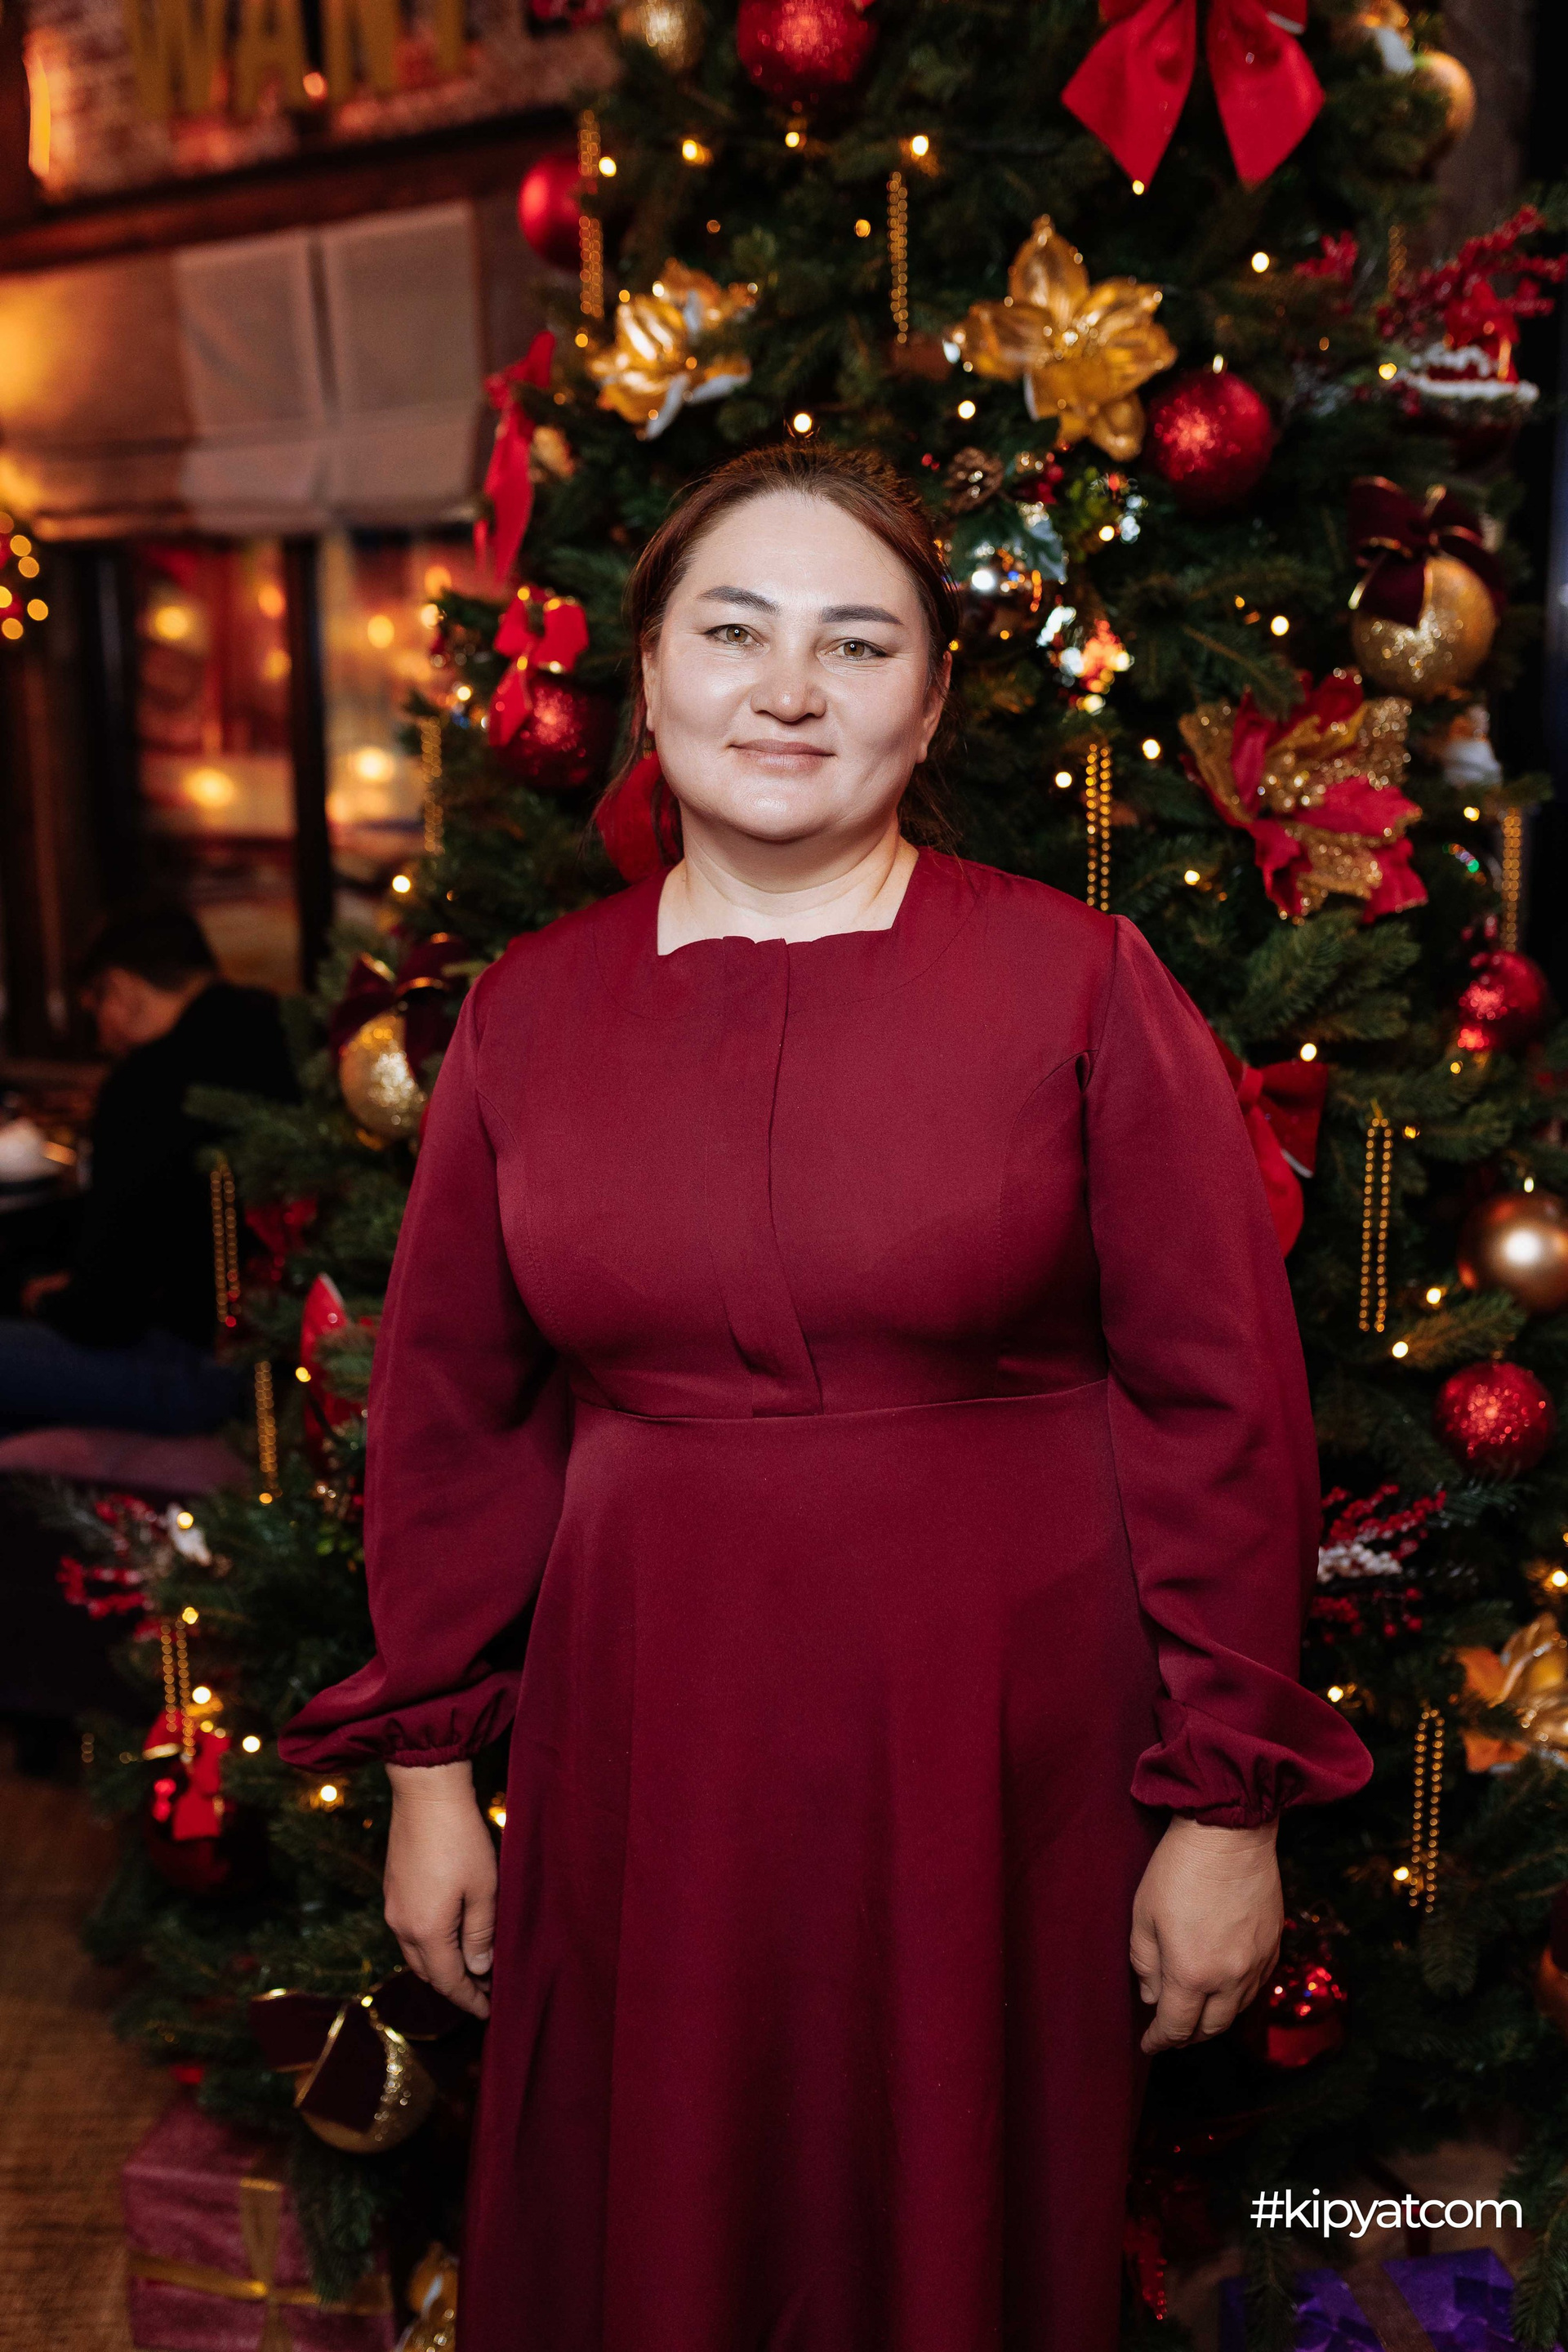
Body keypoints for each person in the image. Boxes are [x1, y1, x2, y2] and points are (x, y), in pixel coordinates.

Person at [279, 445, 1372, 2350]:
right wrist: (430, 1772)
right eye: (734, 631)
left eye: (856, 645)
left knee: (961, 2222)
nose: (788, 689)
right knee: (646, 2214)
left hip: (1000, 1766)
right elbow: (452, 1413)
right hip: (646, 1750)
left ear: (929, 704)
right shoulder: (527, 1013)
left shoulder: (1082, 986)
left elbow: (1222, 1408)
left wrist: (1230, 1809)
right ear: (649, 670)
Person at [0, 904, 295, 1438]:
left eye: (95, 1008)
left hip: (208, 1371)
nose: (100, 1037)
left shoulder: (148, 1084)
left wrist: (45, 1297)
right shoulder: (284, 1031)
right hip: (293, 1356)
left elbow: (103, 1315)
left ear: (121, 988)